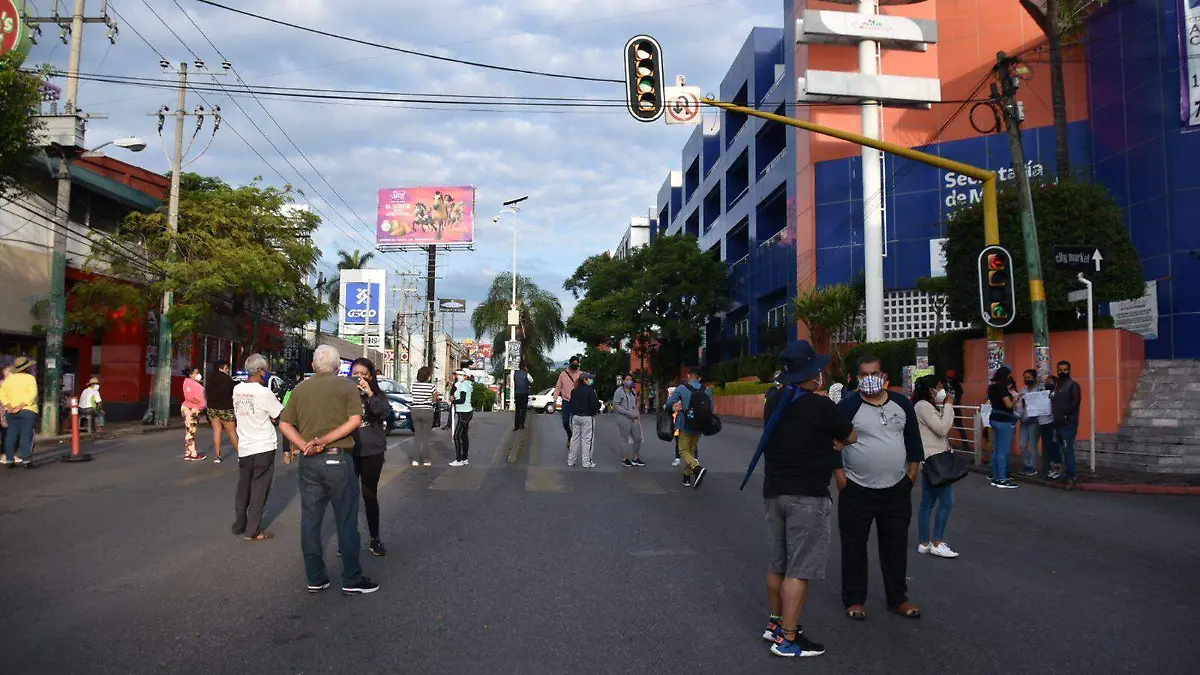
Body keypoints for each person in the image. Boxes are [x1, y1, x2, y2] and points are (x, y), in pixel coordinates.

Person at [760, 341, 856, 658]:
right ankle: (788, 639)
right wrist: (836, 440)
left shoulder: (773, 401)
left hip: (775, 491)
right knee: (798, 570)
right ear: (812, 373)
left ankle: (775, 624)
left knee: (778, 564)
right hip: (807, 496)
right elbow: (851, 434)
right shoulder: (821, 406)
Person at [279, 345, 378, 596]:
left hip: (309, 461)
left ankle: (315, 578)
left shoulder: (300, 388)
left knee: (310, 520)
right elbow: (354, 420)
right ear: (337, 367)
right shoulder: (346, 386)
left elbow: (284, 423)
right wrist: (325, 440)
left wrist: (303, 445)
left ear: (313, 366)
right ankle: (351, 578)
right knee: (345, 520)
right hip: (338, 459)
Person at [835, 355, 923, 620]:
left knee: (895, 545)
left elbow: (913, 442)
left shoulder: (902, 404)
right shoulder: (848, 407)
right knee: (854, 546)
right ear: (856, 379)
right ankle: (854, 600)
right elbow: (832, 442)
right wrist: (840, 476)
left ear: (884, 375)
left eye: (874, 372)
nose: (870, 378)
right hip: (857, 488)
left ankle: (898, 598)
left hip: (896, 488)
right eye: (864, 374)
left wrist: (911, 476)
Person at [232, 354, 283, 542]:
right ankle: (252, 530)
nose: (267, 373)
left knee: (243, 486)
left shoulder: (237, 389)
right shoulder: (264, 392)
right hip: (263, 445)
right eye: (266, 369)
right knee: (259, 488)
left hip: (245, 445)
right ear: (260, 371)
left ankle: (239, 524)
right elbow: (278, 413)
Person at [912, 375, 959, 559]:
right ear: (930, 389)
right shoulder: (923, 406)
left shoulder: (924, 406)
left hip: (930, 459)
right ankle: (937, 542)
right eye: (939, 386)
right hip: (935, 460)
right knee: (948, 502)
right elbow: (942, 428)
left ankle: (924, 542)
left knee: (927, 503)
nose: (942, 390)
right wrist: (949, 404)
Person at [350, 358, 390, 557]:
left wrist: (370, 393)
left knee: (369, 495)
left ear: (371, 376)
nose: (359, 377)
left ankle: (375, 538)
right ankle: (347, 538)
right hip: (349, 451)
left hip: (372, 451)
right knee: (347, 497)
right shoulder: (346, 395)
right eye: (355, 373)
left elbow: (382, 412)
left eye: (363, 374)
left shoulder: (377, 395)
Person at [666, 368, 712, 488]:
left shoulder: (682, 388)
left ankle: (696, 467)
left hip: (685, 423)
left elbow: (670, 403)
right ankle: (686, 478)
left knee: (682, 450)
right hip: (700, 424)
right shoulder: (706, 390)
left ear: (689, 375)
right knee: (691, 450)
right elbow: (711, 408)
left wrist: (670, 407)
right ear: (699, 377)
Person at [1, 356, 39, 468]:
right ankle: (26, 460)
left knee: (11, 435)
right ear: (27, 368)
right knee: (26, 435)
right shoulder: (30, 378)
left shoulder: (8, 380)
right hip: (28, 410)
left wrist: (8, 405)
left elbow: (1, 393)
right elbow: (33, 394)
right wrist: (21, 405)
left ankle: (9, 459)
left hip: (10, 411)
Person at [1016, 369, 1053, 478]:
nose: (1027, 379)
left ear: (1034, 378)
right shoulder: (1023, 390)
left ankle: (1032, 467)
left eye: (1029, 377)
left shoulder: (1039, 390)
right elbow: (1019, 405)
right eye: (1025, 377)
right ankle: (1027, 465)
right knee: (1022, 445)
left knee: (1033, 444)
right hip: (1023, 420)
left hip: (1035, 421)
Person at [987, 366, 1019, 489]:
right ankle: (1002, 478)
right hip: (1004, 420)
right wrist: (1016, 399)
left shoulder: (991, 387)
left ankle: (995, 476)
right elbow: (1009, 405)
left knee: (996, 448)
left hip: (994, 417)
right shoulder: (1002, 388)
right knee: (1003, 450)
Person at [1051, 360, 1082, 486]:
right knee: (1061, 450)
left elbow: (1075, 402)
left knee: (1068, 450)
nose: (1062, 372)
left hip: (1068, 423)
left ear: (1069, 370)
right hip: (1057, 423)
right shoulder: (1057, 386)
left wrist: (1066, 414)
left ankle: (1071, 476)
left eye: (1065, 369)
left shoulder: (1073, 385)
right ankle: (1066, 473)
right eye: (1060, 370)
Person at [205, 360, 239, 464]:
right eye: (227, 368)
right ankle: (241, 454)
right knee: (232, 432)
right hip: (226, 408)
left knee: (217, 431)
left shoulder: (210, 378)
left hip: (212, 408)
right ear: (222, 367)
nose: (228, 370)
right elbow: (233, 392)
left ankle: (217, 456)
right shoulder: (227, 379)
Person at [568, 371, 601, 468]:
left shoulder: (574, 391)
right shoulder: (590, 391)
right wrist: (597, 407)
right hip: (587, 417)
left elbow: (571, 403)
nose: (592, 380)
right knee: (587, 440)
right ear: (585, 380)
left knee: (574, 439)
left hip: (575, 417)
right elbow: (595, 404)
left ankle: (571, 460)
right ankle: (586, 461)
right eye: (590, 378)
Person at [613, 373, 644, 467]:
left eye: (630, 379)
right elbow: (616, 405)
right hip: (623, 418)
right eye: (627, 379)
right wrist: (628, 413)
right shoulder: (619, 391)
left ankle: (635, 457)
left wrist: (637, 415)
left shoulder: (633, 391)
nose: (629, 381)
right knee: (625, 438)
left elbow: (635, 404)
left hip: (634, 418)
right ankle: (625, 458)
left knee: (638, 438)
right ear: (623, 381)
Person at [409, 366, 436, 468]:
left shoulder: (413, 385)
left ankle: (415, 460)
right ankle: (426, 460)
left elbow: (412, 395)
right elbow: (435, 398)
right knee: (426, 437)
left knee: (417, 436)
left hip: (415, 411)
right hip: (427, 411)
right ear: (428, 377)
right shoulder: (431, 386)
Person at [181, 366, 208, 461]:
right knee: (191, 431)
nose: (198, 375)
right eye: (196, 373)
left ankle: (188, 452)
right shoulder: (188, 382)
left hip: (193, 409)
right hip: (190, 409)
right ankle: (193, 454)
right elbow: (189, 397)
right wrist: (199, 403)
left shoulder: (192, 382)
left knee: (190, 430)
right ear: (191, 374)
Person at [554, 355, 581, 448]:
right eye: (574, 364)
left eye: (577, 364)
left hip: (577, 402)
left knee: (576, 423)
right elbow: (558, 387)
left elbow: (586, 387)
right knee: (565, 422)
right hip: (566, 401)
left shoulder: (581, 374)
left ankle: (573, 441)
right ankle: (570, 436)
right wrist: (555, 399)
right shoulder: (563, 374)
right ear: (570, 363)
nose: (575, 365)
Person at [1040, 375, 1063, 479]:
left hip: (1052, 422)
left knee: (1053, 446)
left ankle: (1057, 468)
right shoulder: (1043, 394)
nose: (1046, 384)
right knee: (1048, 447)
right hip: (1043, 422)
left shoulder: (1056, 394)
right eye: (1046, 382)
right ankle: (1052, 468)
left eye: (1049, 382)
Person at [450, 370, 474, 466]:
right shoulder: (467, 384)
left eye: (460, 375)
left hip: (464, 412)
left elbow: (462, 400)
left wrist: (453, 401)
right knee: (464, 435)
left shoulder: (464, 385)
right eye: (458, 374)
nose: (458, 376)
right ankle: (464, 458)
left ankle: (459, 459)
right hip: (466, 412)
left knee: (457, 435)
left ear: (465, 376)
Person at [513, 362, 532, 431]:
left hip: (517, 393)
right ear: (524, 367)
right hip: (524, 393)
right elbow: (531, 381)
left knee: (517, 410)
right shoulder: (526, 373)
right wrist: (527, 372)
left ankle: (516, 426)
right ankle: (521, 424)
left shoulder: (515, 374)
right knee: (523, 410)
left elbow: (515, 381)